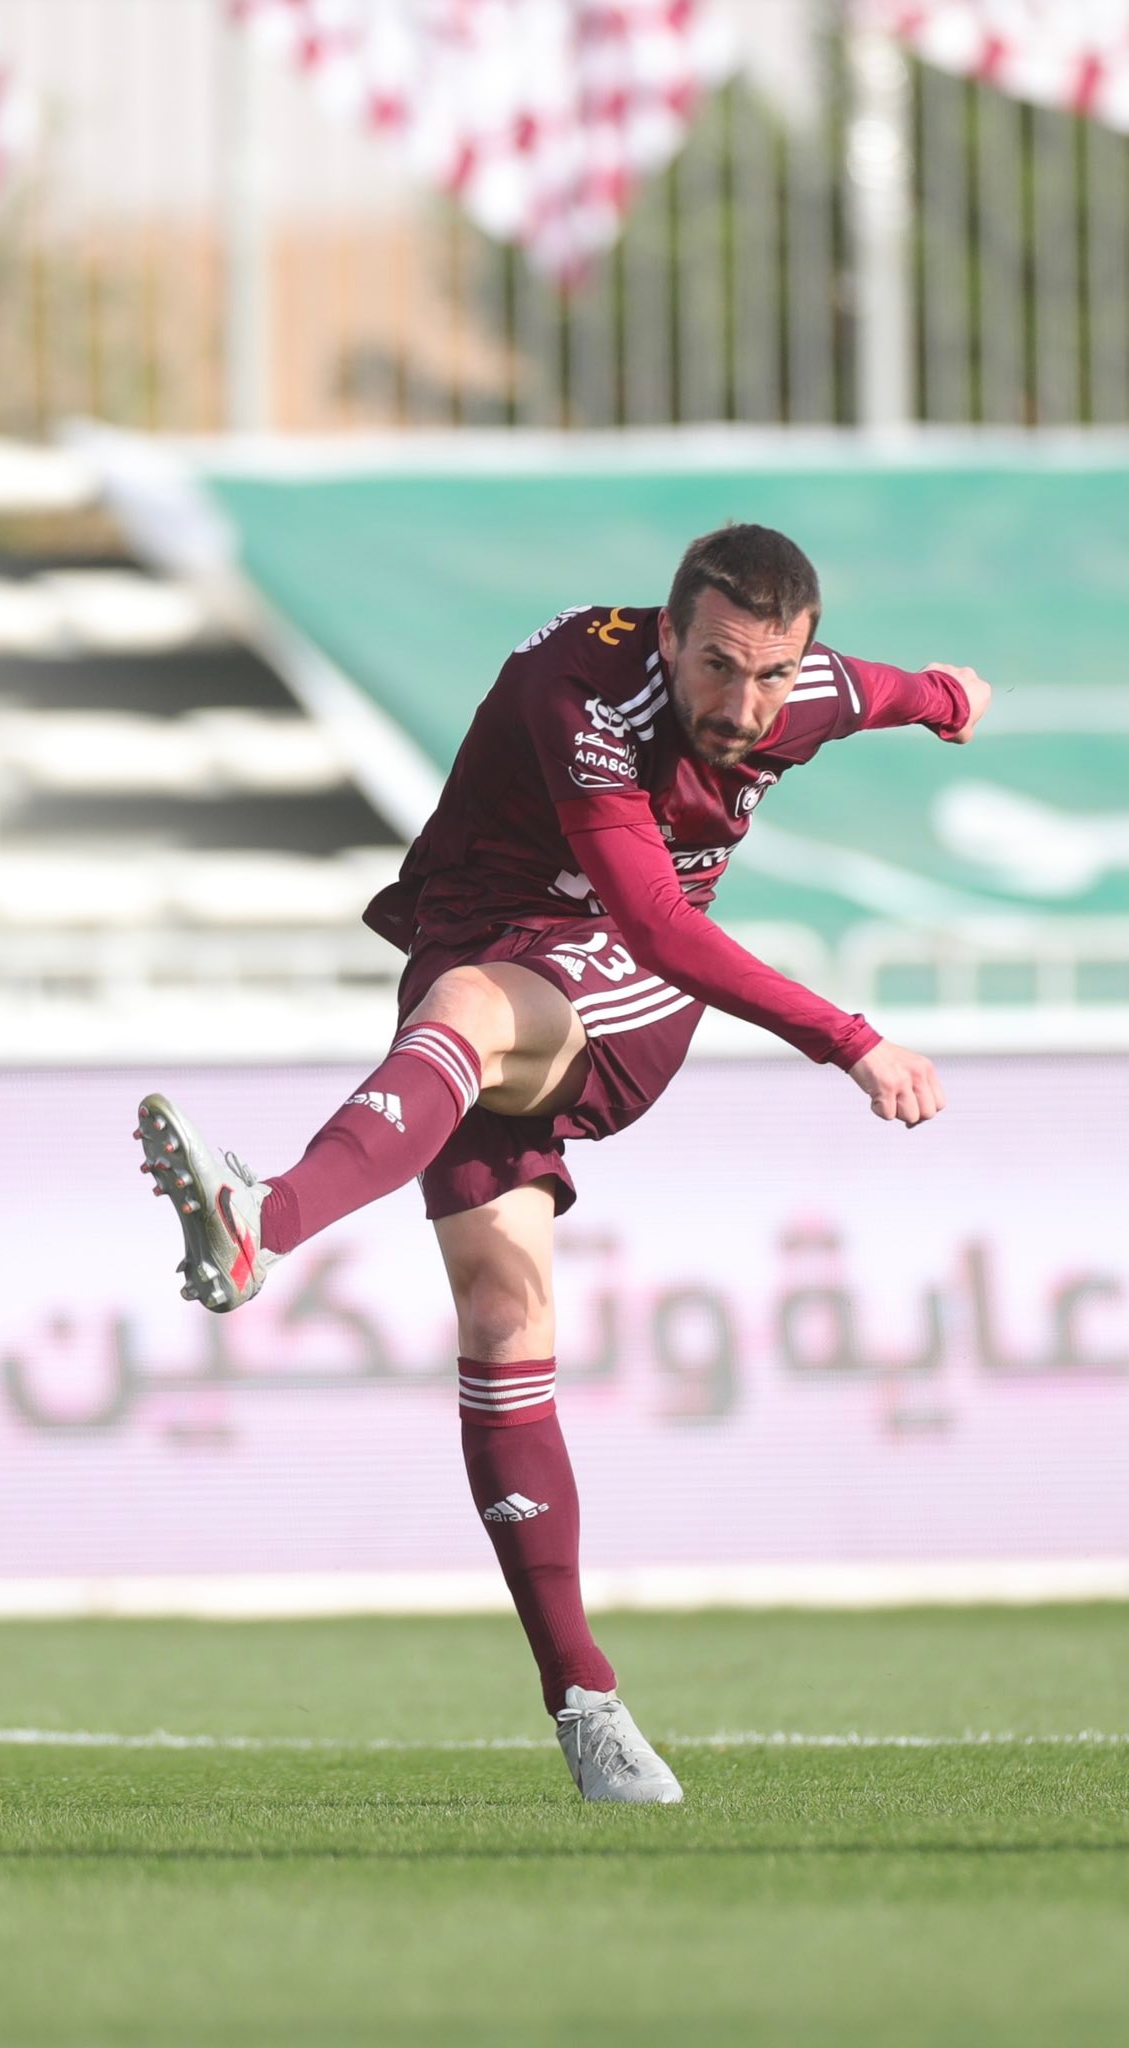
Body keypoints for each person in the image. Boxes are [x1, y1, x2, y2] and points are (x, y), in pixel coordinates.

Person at [133, 523, 992, 1804]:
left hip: (620, 986)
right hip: (509, 950)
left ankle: (266, 1217)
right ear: (667, 632)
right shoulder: (578, 690)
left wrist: (951, 700)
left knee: (473, 1018)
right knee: (503, 1313)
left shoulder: (801, 690)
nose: (744, 704)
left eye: (770, 675)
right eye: (717, 667)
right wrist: (849, 1036)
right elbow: (645, 902)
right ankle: (587, 1705)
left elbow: (894, 699)